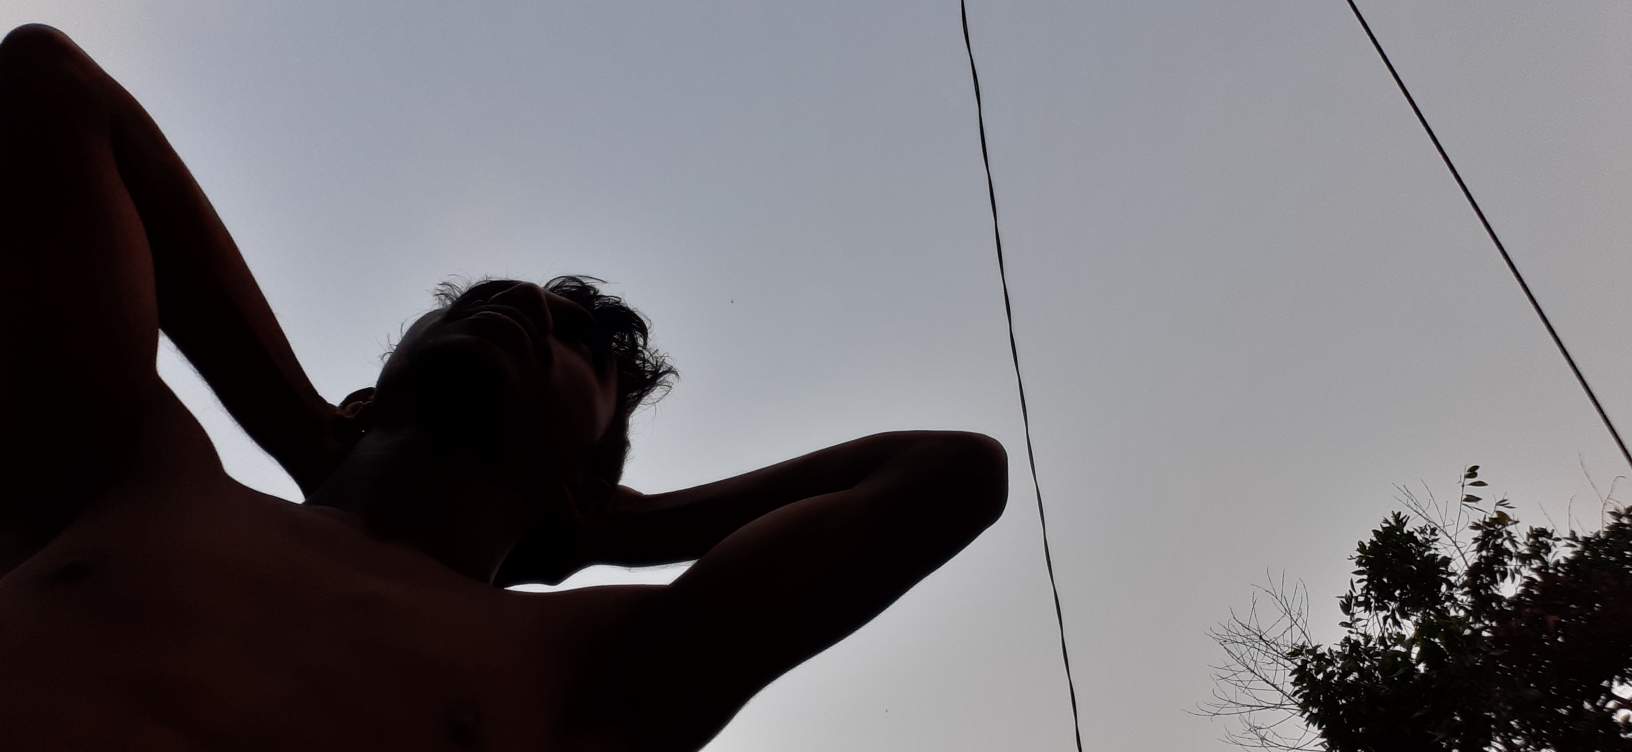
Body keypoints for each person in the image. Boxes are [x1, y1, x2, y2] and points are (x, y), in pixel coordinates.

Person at [0, 23, 1009, 751]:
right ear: (365, 396)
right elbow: (48, 83)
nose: (523, 304)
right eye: (484, 300)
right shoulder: (135, 471)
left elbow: (952, 476)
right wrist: (302, 427)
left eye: (578, 346)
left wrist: (615, 528)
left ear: (584, 483)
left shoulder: (581, 666)